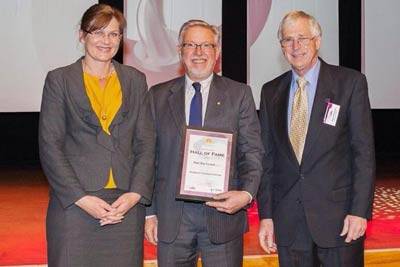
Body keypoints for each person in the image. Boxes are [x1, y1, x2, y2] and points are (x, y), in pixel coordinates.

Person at [39, 4, 155, 266]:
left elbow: (146, 143)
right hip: (75, 206)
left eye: (114, 34)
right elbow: (50, 145)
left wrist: (136, 194)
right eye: (98, 32)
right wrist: (80, 198)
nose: (107, 41)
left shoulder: (135, 80)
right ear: (82, 35)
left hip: (125, 206)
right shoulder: (59, 80)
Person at [257, 10, 375, 267]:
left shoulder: (350, 83)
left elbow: (363, 153)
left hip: (339, 221)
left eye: (302, 38)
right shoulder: (270, 92)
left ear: (318, 41)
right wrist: (266, 216)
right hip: (289, 224)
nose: (295, 46)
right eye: (288, 40)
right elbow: (266, 160)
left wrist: (359, 211)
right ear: (281, 47)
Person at [144, 19, 263, 267]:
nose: (199, 53)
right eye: (191, 45)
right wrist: (149, 212)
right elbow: (148, 159)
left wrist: (246, 194)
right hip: (172, 218)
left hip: (223, 216)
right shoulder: (157, 96)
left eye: (206, 45)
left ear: (217, 52)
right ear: (180, 52)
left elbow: (252, 152)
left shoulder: (239, 94)